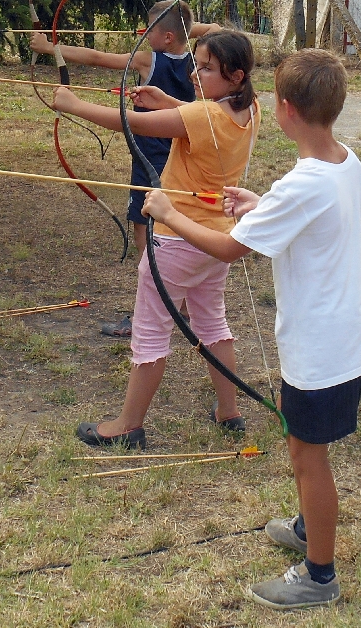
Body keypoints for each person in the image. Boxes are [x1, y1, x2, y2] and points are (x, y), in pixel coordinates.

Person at [142, 48, 361, 609]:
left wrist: (169, 215)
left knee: (307, 458)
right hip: (343, 334)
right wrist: (260, 204)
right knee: (306, 449)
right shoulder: (344, 162)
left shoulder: (304, 185)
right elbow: (305, 215)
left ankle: (319, 575)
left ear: (286, 109)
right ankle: (309, 527)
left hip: (320, 348)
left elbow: (228, 248)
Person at [52, 30, 260, 447]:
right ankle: (228, 411)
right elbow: (205, 120)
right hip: (213, 238)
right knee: (212, 324)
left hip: (175, 240)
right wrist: (169, 102)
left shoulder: (202, 116)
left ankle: (128, 426)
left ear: (236, 75)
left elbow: (133, 123)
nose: (195, 74)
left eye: (207, 68)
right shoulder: (249, 107)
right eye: (197, 64)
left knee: (150, 331)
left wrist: (74, 105)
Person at [31, 0, 220, 337]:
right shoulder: (197, 60)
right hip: (181, 159)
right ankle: (181, 305)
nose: (143, 35)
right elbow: (216, 29)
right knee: (175, 228)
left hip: (150, 161)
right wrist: (183, 29)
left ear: (167, 37)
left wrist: (50, 48)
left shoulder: (150, 59)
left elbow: (97, 58)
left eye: (149, 30)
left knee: (145, 233)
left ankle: (156, 304)